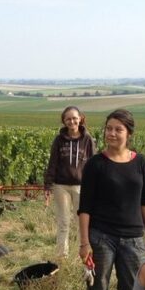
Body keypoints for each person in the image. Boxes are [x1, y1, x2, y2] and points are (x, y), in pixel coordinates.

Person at [77, 109, 145, 290]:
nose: (112, 133)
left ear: (128, 133)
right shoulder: (95, 164)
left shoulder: (141, 162)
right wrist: (84, 242)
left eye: (118, 129)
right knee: (98, 287)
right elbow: (85, 207)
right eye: (109, 128)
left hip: (133, 237)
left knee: (131, 287)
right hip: (101, 236)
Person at [44, 106, 94, 257]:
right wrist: (48, 185)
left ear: (80, 119)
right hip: (61, 186)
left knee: (83, 224)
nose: (71, 121)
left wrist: (94, 186)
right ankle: (62, 257)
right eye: (68, 119)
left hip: (82, 187)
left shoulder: (87, 140)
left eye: (74, 118)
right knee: (63, 223)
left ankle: (84, 256)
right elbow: (52, 163)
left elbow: (93, 164)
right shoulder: (59, 140)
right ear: (64, 121)